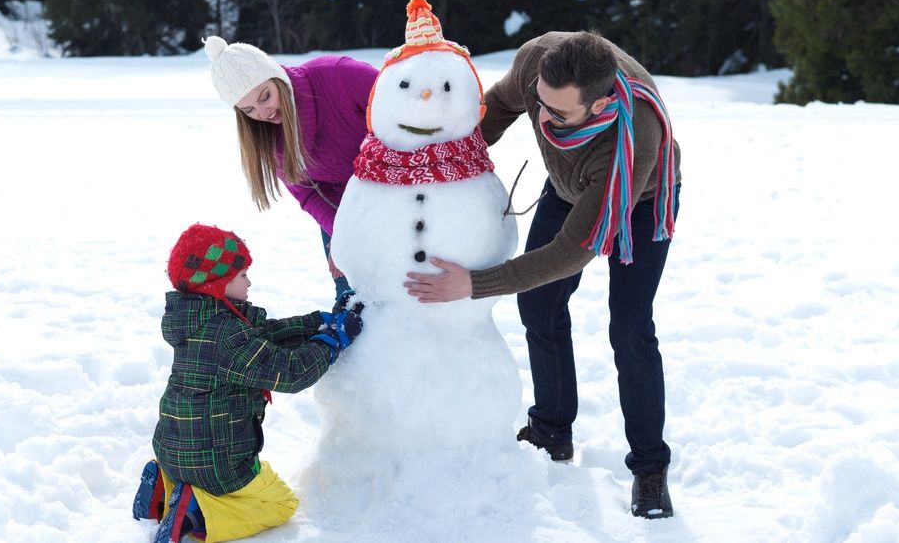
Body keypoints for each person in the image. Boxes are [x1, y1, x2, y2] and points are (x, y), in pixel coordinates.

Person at [403, 31, 682, 519]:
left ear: (598, 105)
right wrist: (450, 162)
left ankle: (650, 467)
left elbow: (572, 252)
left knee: (630, 328)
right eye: (543, 105)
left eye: (560, 114)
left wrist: (475, 283)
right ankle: (551, 430)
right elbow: (500, 107)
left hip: (637, 199)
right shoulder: (538, 63)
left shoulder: (634, 133)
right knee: (538, 306)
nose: (546, 119)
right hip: (568, 184)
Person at [132, 223, 364, 542]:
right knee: (280, 501)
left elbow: (264, 335)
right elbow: (290, 372)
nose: (249, 282)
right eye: (242, 276)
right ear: (218, 284)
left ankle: (166, 486)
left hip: (173, 453)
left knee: (214, 473)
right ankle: (198, 511)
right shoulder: (226, 336)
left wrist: (318, 321)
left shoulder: (199, 322)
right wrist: (331, 340)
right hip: (216, 463)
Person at [203, 35, 379, 301]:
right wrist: (343, 234)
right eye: (248, 109)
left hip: (410, 191)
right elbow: (309, 193)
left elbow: (405, 113)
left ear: (277, 77)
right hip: (343, 214)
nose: (263, 113)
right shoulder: (268, 138)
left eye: (265, 97)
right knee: (355, 300)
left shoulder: (338, 75)